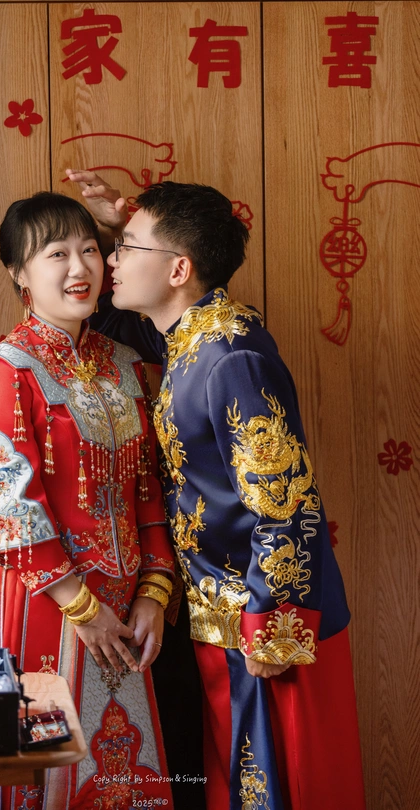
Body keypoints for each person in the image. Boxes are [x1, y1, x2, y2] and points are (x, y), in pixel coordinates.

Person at [67, 171, 366, 810]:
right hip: (220, 618)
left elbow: (285, 500)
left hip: (264, 624)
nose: (110, 260)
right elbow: (118, 323)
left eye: (125, 248)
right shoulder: (190, 335)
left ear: (179, 269)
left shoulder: (231, 355)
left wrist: (272, 627)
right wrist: (121, 225)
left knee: (280, 788)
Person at [0, 191, 176, 810]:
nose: (80, 268)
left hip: (127, 609)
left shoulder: (125, 364)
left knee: (123, 775)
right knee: (44, 778)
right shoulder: (6, 369)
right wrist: (81, 606)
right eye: (56, 254)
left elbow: (148, 490)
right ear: (18, 272)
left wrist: (154, 591)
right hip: (41, 601)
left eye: (89, 249)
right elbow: (8, 506)